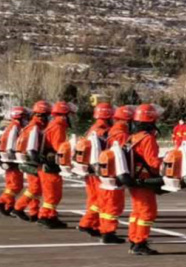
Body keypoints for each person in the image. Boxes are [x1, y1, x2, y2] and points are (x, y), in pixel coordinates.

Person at [125, 103, 163, 255]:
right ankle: (140, 242)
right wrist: (166, 163)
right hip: (144, 180)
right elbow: (153, 162)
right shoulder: (147, 139)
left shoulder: (133, 137)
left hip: (134, 179)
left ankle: (134, 239)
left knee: (137, 211)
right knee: (147, 212)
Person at [97, 105, 133, 245]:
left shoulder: (112, 131)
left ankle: (104, 230)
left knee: (106, 206)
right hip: (115, 174)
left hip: (106, 173)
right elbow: (123, 155)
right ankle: (108, 233)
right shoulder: (122, 135)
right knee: (113, 206)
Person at [35, 101, 74, 228]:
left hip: (47, 163)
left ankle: (50, 215)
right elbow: (59, 147)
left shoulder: (54, 124)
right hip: (50, 164)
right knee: (53, 194)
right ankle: (45, 216)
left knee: (52, 193)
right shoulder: (58, 126)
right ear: (64, 114)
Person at [77, 102, 114, 235]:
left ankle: (93, 224)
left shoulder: (94, 128)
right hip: (97, 170)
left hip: (90, 170)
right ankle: (87, 223)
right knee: (100, 200)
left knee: (93, 199)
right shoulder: (103, 131)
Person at [0, 106, 29, 216]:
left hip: (8, 159)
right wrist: (13, 155)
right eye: (25, 116)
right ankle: (1, 202)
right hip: (11, 159)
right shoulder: (15, 126)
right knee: (15, 185)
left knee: (11, 185)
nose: (26, 119)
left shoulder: (11, 126)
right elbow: (11, 142)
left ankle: (8, 205)